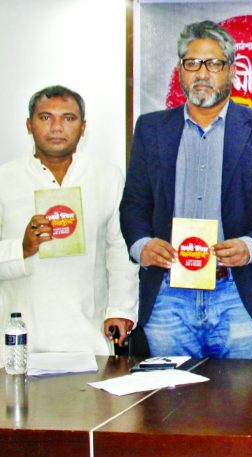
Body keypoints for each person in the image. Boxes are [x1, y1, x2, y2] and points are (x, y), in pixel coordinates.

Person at [119, 21, 252, 358]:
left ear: (231, 71)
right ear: (181, 71)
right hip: (169, 295)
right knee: (171, 404)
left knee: (242, 408)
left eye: (214, 63)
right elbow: (134, 203)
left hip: (238, 293)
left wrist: (251, 245)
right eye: (192, 63)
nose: (203, 73)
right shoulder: (151, 128)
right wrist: (141, 245)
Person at [0, 85, 137, 357]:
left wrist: (120, 311)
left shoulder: (106, 176)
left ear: (83, 127)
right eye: (45, 117)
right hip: (20, 341)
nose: (57, 127)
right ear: (29, 125)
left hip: (90, 339)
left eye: (68, 118)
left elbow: (120, 251)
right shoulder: (5, 179)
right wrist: (22, 249)